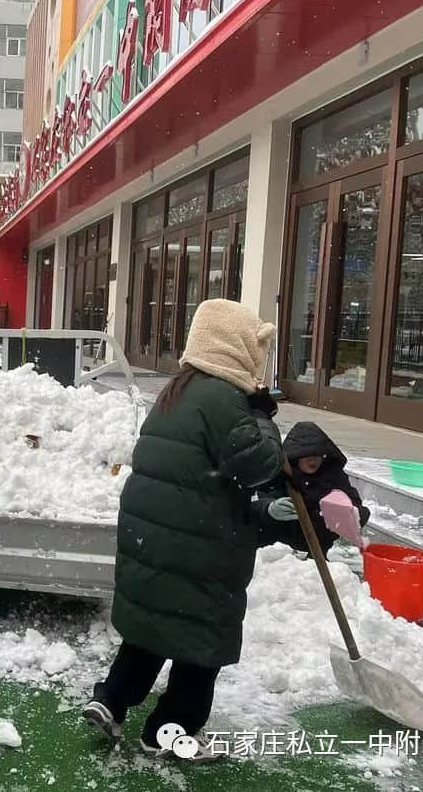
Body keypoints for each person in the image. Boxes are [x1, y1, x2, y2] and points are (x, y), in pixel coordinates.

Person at [82, 299, 288, 761]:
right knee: (200, 644)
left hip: (155, 540)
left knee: (151, 631)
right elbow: (258, 466)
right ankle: (168, 732)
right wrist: (264, 420)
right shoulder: (223, 398)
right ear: (235, 346)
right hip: (197, 549)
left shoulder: (180, 389)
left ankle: (111, 700)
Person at [270, 421, 370, 556]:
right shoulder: (282, 474)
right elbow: (262, 501)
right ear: (296, 456)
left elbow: (356, 505)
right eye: (308, 456)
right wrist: (271, 508)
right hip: (282, 548)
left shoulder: (333, 475)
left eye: (318, 456)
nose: (314, 461)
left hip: (321, 546)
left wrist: (351, 515)